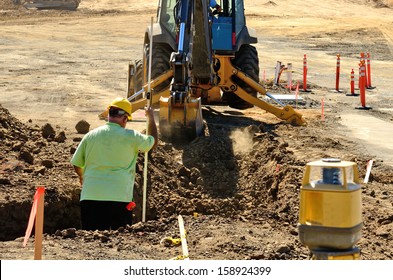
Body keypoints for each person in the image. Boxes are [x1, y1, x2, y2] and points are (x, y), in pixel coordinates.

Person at [71, 97, 158, 231]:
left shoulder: (90, 136)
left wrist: (82, 177)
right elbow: (152, 142)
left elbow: (77, 163)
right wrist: (151, 117)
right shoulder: (132, 136)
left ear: (109, 115)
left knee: (90, 243)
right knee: (119, 244)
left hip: (90, 196)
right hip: (120, 198)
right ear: (125, 119)